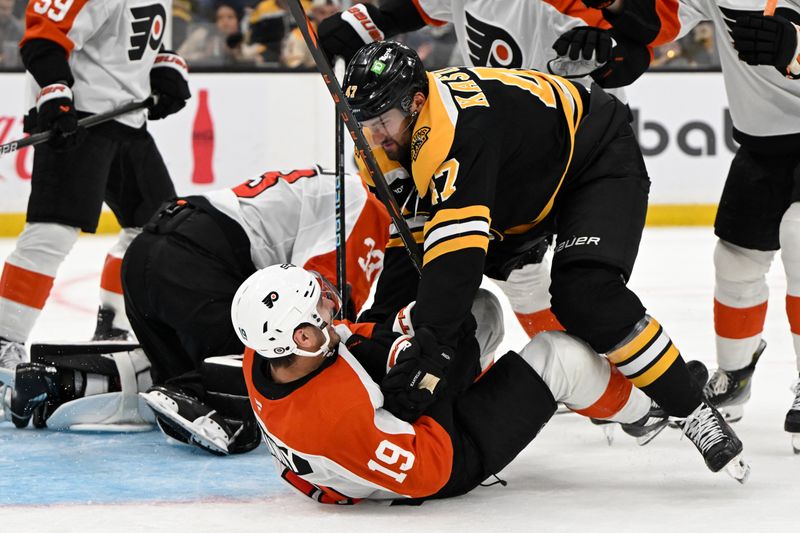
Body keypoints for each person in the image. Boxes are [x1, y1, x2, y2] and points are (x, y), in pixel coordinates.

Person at [342, 40, 750, 479]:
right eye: (365, 123)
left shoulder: (456, 132)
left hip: (591, 158)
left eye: (383, 120)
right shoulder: (382, 148)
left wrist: (428, 352)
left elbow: (454, 262)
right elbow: (411, 247)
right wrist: (378, 330)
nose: (375, 136)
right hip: (518, 190)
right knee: (452, 293)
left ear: (416, 102)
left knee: (586, 295)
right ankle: (629, 395)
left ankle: (692, 408)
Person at [230, 264, 722, 504]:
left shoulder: (269, 354)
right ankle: (645, 413)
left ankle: (473, 373)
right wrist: (438, 379)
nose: (332, 308)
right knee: (560, 356)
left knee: (474, 311)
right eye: (320, 310)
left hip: (376, 432)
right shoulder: (334, 419)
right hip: (439, 459)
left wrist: (416, 332)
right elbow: (426, 474)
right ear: (299, 335)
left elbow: (345, 340)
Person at [316, 0, 656, 338]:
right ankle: (588, 375)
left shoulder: (561, 5)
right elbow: (403, 12)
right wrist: (354, 24)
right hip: (499, 151)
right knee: (518, 275)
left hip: (577, 147)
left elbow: (639, 44)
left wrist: (613, 53)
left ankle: (618, 368)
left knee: (588, 286)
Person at [596, 0, 800, 452]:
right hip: (762, 143)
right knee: (735, 261)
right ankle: (735, 375)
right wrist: (616, 23)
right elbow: (662, 20)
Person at [124, 166, 390, 454]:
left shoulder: (333, 185)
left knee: (182, 376)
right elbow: (323, 305)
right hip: (194, 264)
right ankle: (192, 390)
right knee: (273, 352)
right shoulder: (369, 204)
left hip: (143, 253)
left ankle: (162, 381)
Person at [0, 0, 191, 374]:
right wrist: (56, 96)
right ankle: (4, 340)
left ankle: (115, 328)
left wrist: (164, 67)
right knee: (52, 233)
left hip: (127, 120)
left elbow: (131, 37)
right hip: (79, 119)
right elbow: (44, 36)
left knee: (155, 227)